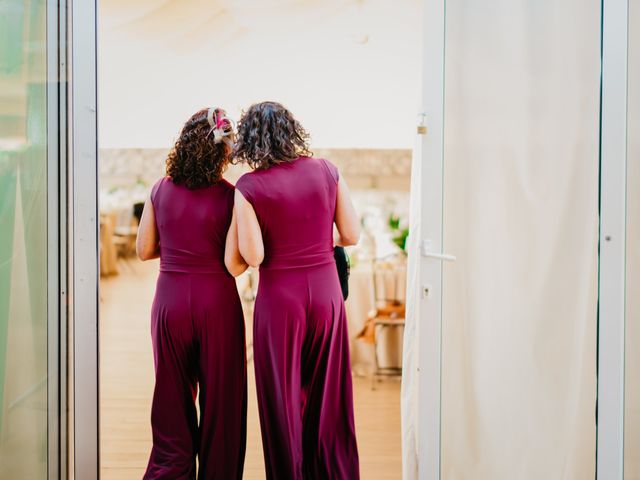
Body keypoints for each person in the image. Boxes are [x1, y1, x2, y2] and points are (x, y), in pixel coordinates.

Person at [229, 101, 361, 479]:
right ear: (292, 130)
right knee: (329, 396)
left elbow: (253, 256)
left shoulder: (249, 187)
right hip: (326, 293)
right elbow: (351, 234)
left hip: (279, 300)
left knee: (281, 400)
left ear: (250, 141)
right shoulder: (327, 171)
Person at [136, 107, 247, 480]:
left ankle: (169, 472)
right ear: (221, 152)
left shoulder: (159, 190)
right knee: (222, 402)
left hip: (170, 303)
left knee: (172, 397)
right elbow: (236, 261)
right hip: (217, 303)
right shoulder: (233, 197)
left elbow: (144, 250)